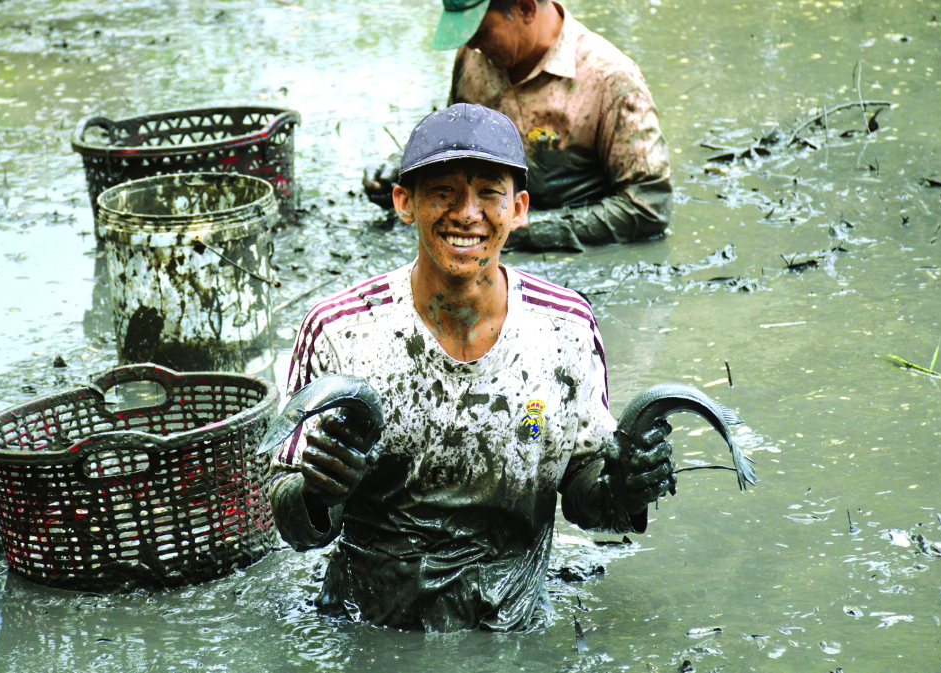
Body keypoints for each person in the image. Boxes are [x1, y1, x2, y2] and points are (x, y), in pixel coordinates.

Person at [273, 104, 675, 632]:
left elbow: (584, 490)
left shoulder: (565, 329)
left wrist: (626, 485)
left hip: (514, 621)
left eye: (489, 193)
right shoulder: (340, 330)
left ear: (520, 208)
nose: (467, 214)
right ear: (404, 202)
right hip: (371, 624)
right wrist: (322, 491)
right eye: (442, 192)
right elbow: (290, 518)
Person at [364, 0, 671, 252]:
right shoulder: (473, 56)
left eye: (481, 32)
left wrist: (529, 229)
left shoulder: (610, 80)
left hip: (572, 251)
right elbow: (456, 145)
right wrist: (409, 173)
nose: (472, 44)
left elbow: (648, 208)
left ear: (525, 9)